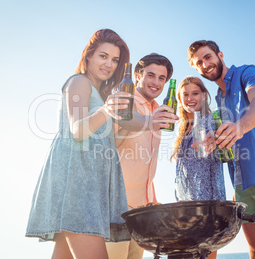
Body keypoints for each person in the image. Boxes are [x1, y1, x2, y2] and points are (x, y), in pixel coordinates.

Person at [25, 29, 178, 258]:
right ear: (89, 56)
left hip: (90, 188)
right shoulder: (79, 82)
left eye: (115, 60)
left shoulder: (104, 93)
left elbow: (128, 120)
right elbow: (77, 130)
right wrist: (107, 110)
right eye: (103, 56)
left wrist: (151, 120)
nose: (109, 64)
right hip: (77, 186)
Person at [187, 40, 255, 259]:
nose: (205, 64)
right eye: (199, 62)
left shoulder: (247, 73)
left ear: (219, 54)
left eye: (208, 57)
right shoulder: (219, 98)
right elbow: (232, 136)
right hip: (242, 181)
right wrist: (216, 139)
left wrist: (239, 127)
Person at [106, 53, 176, 259]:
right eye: (150, 75)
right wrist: (139, 123)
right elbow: (110, 146)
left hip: (142, 208)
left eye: (161, 78)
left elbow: (143, 161)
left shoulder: (158, 109)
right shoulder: (124, 99)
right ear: (138, 76)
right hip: (117, 201)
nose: (156, 83)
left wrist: (150, 199)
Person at [170, 76, 226, 259]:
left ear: (204, 95)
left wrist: (215, 137)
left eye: (195, 93)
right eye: (185, 95)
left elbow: (225, 147)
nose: (190, 98)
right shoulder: (182, 129)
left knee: (205, 254)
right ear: (179, 98)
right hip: (185, 208)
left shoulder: (213, 121)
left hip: (208, 207)